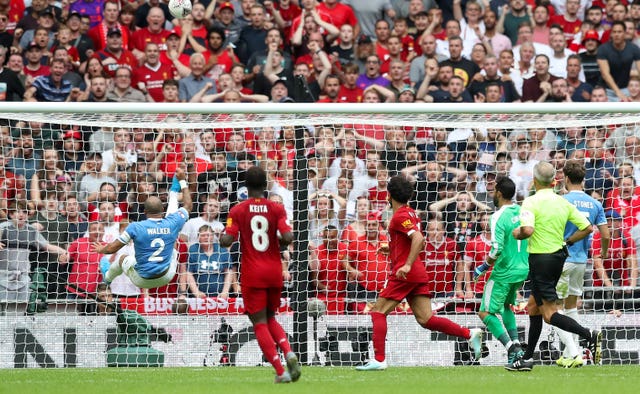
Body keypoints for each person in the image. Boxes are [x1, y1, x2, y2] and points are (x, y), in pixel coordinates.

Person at [356, 175, 483, 371]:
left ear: (389, 195)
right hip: (417, 273)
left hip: (405, 274)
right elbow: (410, 241)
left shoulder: (400, 216)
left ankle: (379, 360)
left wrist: (406, 265)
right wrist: (392, 248)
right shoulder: (411, 213)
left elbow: (418, 239)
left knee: (378, 312)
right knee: (426, 319)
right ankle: (469, 333)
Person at [510, 161, 602, 371]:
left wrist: (518, 233)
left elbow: (528, 230)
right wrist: (567, 242)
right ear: (554, 181)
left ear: (534, 181)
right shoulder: (563, 202)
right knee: (533, 307)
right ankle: (526, 359)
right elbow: (588, 228)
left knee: (550, 314)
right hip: (557, 257)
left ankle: (589, 335)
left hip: (541, 259)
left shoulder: (530, 202)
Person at [219, 166, 301, 384]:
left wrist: (223, 236)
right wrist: (279, 239)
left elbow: (227, 240)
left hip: (253, 272)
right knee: (271, 316)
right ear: (265, 186)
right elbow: (288, 236)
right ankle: (288, 351)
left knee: (259, 322)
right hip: (275, 271)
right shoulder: (276, 209)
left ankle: (280, 370)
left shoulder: (237, 210)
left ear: (245, 186)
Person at [92, 166, 192, 290]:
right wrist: (182, 181)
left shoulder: (136, 227)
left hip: (142, 280)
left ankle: (107, 278)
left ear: (144, 211)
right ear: (162, 209)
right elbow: (188, 206)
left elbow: (112, 248)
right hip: (166, 275)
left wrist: (102, 249)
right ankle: (174, 190)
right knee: (173, 241)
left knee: (122, 258)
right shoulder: (172, 223)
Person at [554, 159, 610, 368]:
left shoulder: (560, 201)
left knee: (552, 310)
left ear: (566, 178)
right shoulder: (595, 203)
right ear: (583, 179)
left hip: (560, 259)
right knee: (570, 307)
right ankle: (571, 354)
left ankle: (575, 351)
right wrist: (602, 254)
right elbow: (605, 235)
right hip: (580, 261)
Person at [473, 176, 529, 369]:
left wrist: (483, 267)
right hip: (522, 268)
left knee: (484, 311)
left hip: (504, 270)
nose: (492, 193)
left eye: (494, 189)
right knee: (506, 306)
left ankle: (511, 348)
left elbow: (496, 248)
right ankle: (518, 347)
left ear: (499, 193)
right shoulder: (522, 211)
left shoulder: (497, 216)